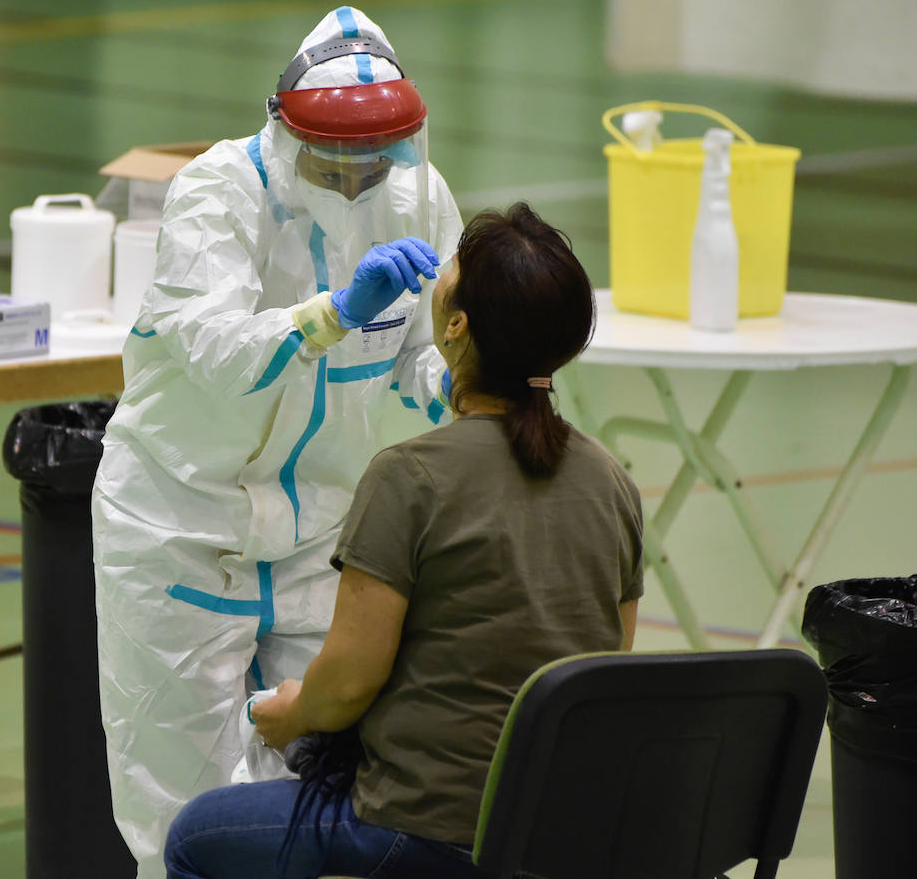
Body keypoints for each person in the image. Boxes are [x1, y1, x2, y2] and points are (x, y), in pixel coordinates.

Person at [163, 202, 644, 879]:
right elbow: (603, 667)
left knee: (196, 837)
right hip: (559, 835)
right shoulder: (611, 481)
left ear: (455, 326)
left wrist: (291, 714)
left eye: (451, 272)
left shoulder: (409, 476)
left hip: (427, 830)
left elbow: (349, 683)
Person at [91, 6, 465, 878]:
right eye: (333, 159)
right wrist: (333, 314)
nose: (353, 178)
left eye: (373, 160)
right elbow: (216, 350)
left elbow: (423, 348)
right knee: (180, 814)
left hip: (318, 540)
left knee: (333, 787)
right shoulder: (218, 192)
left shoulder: (417, 194)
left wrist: (448, 384)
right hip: (182, 525)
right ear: (284, 127)